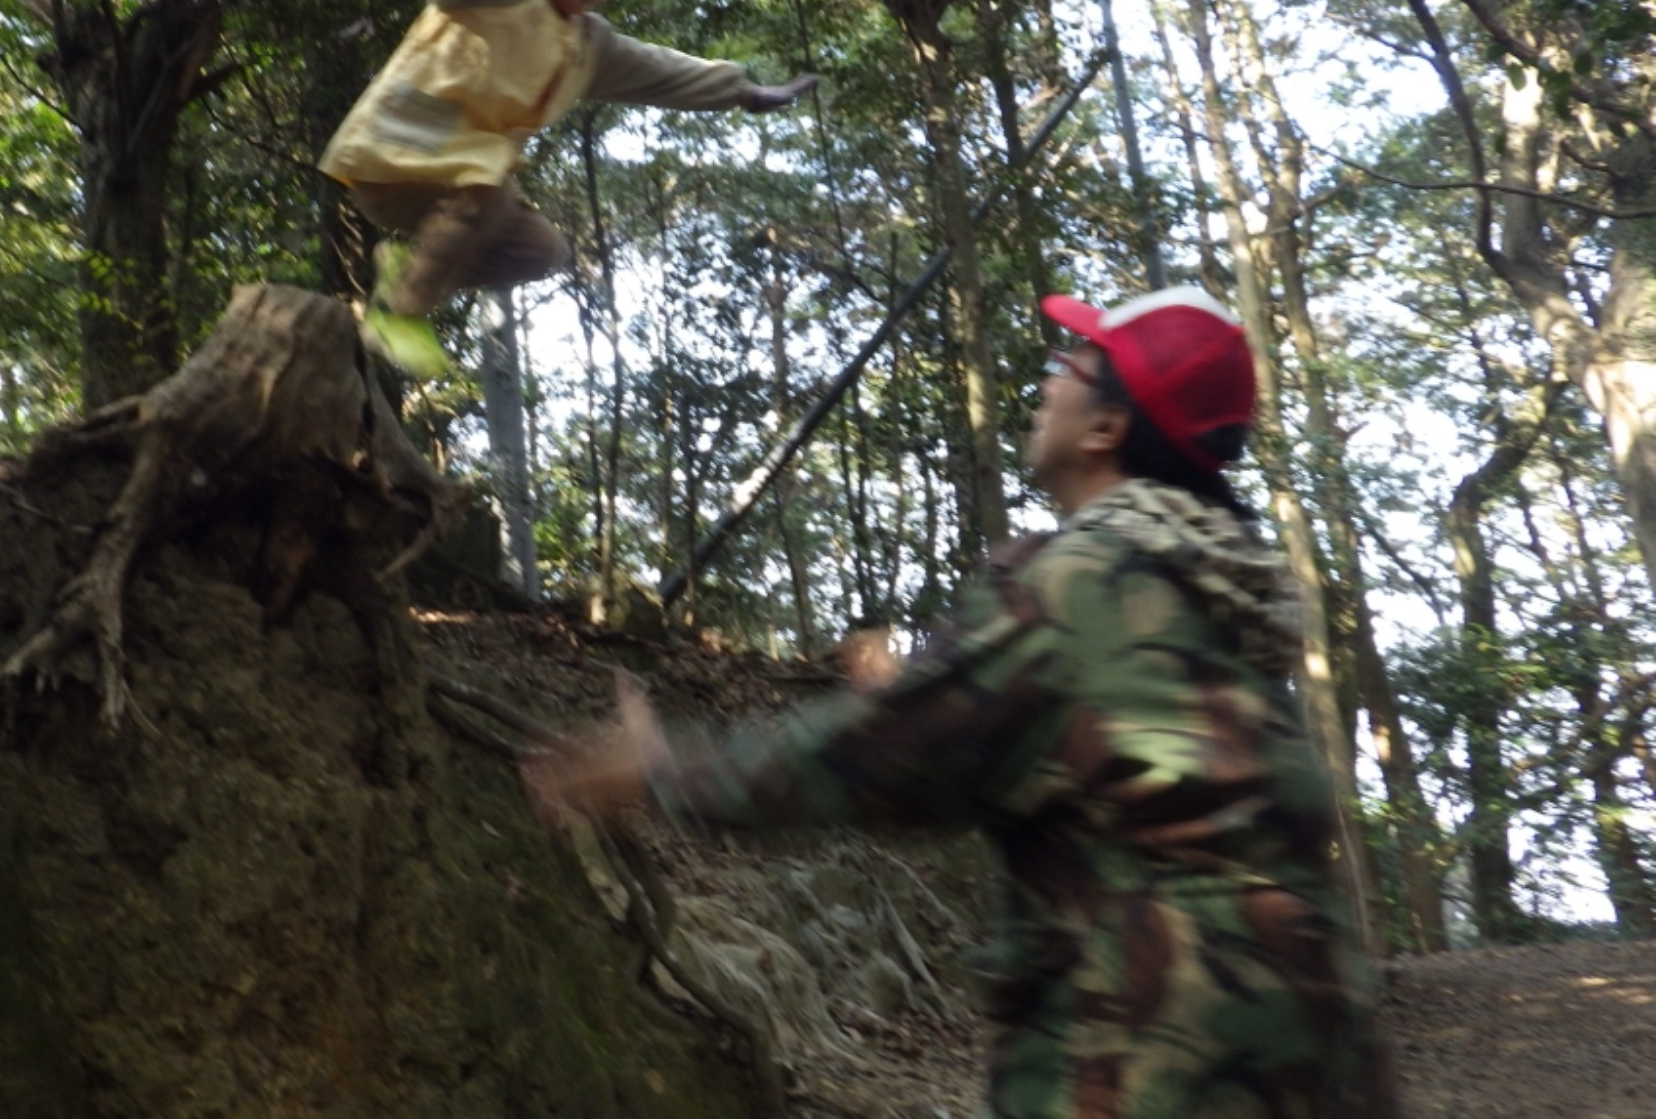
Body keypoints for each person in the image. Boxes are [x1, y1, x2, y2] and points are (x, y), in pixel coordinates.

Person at [530, 284, 1396, 1118]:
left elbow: (876, 757)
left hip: (1158, 1059)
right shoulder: (1217, 597)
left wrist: (660, 771)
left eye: (1074, 361)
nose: (1049, 376)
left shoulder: (1083, 582)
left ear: (1107, 427)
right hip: (1326, 1060)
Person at [322, 0, 818, 375]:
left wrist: (742, 90)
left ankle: (406, 276)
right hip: (399, 150)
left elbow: (661, 70)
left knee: (540, 251)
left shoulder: (588, 45)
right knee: (489, 190)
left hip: (459, 186)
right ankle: (401, 313)